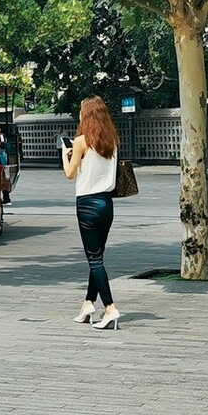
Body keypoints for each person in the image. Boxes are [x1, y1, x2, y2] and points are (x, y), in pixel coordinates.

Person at [62, 95, 122, 331]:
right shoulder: (112, 142)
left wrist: (64, 155)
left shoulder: (80, 142)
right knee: (97, 256)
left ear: (85, 116)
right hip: (107, 204)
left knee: (94, 259)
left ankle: (109, 308)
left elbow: (70, 174)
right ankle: (88, 303)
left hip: (87, 203)